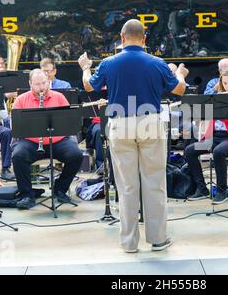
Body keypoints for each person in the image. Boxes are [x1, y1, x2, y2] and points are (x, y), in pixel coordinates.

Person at [79, 19, 187, 253]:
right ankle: (158, 239)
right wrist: (180, 74)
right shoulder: (157, 62)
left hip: (120, 124)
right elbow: (179, 89)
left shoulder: (109, 63)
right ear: (145, 39)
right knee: (154, 182)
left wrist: (86, 67)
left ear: (122, 37)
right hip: (150, 123)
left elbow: (89, 87)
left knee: (127, 185)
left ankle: (129, 243)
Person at [11, 69, 84, 210]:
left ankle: (60, 189)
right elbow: (15, 125)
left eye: (44, 83)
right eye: (37, 84)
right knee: (18, 156)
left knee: (76, 155)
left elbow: (68, 122)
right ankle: (26, 194)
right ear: (30, 84)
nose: (41, 87)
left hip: (57, 141)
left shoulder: (59, 97)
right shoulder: (21, 99)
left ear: (48, 82)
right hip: (31, 142)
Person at [185, 68, 228, 203]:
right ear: (221, 84)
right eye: (225, 83)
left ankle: (221, 191)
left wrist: (220, 108)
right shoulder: (215, 97)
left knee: (218, 152)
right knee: (189, 151)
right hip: (215, 136)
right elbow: (206, 117)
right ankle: (201, 188)